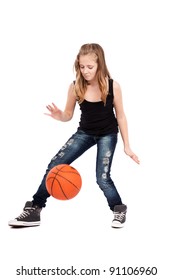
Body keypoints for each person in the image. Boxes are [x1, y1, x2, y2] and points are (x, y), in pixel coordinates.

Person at [8, 43, 139, 228]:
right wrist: (59, 115)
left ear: (100, 65)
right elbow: (68, 115)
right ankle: (35, 209)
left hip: (107, 134)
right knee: (54, 165)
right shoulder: (76, 86)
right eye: (81, 66)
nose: (85, 71)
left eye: (90, 67)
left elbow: (122, 116)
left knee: (102, 178)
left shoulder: (113, 86)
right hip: (84, 133)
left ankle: (118, 208)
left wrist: (127, 146)